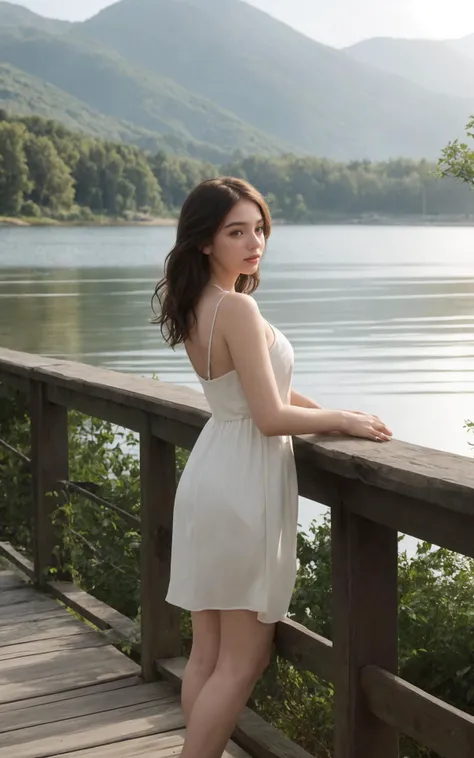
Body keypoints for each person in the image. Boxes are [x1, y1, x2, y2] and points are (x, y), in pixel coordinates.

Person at [153, 177, 392, 758]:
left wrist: (333, 414)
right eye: (237, 231)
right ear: (206, 241)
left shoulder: (197, 303)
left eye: (259, 228)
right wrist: (343, 420)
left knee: (208, 655)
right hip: (245, 487)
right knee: (243, 660)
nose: (254, 241)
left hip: (212, 471)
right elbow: (267, 415)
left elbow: (261, 390)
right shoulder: (237, 305)